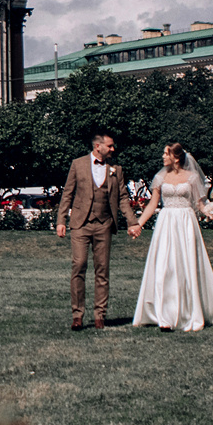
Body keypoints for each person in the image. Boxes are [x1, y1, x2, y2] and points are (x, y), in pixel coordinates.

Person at [130, 143, 213, 332]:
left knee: (185, 266)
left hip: (186, 223)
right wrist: (139, 224)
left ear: (175, 157)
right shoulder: (160, 177)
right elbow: (152, 204)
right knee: (164, 267)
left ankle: (188, 312)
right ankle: (164, 316)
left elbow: (200, 205)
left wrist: (211, 211)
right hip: (166, 223)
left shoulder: (192, 178)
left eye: (165, 153)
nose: (162, 156)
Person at [55, 131, 138, 330]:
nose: (113, 149)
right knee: (79, 265)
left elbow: (123, 198)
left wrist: (132, 222)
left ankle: (100, 315)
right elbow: (67, 193)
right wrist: (61, 220)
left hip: (104, 225)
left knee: (102, 270)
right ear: (97, 147)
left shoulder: (115, 169)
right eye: (110, 146)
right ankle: (77, 314)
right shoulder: (78, 164)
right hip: (80, 224)